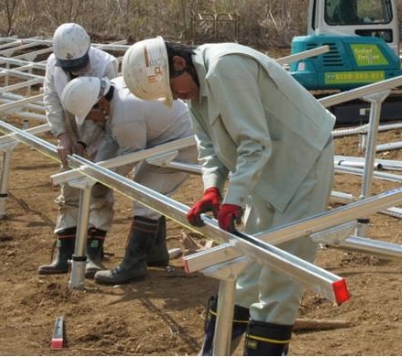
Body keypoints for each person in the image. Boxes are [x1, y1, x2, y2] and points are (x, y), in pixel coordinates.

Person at [121, 37, 335, 356]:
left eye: (174, 88)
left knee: (281, 273)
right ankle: (213, 351)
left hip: (302, 161)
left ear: (179, 63)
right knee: (246, 268)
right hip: (261, 170)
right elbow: (209, 147)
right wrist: (213, 188)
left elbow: (254, 142)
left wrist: (234, 197)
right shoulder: (195, 87)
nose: (178, 96)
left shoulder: (225, 68)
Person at [60, 75, 197, 285]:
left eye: (91, 115)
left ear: (100, 102)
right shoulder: (114, 94)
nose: (93, 121)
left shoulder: (126, 115)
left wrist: (101, 179)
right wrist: (97, 170)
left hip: (182, 145)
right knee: (148, 193)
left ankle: (133, 266)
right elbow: (110, 138)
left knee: (145, 196)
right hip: (165, 138)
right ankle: (156, 253)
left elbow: (129, 156)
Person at [38, 23, 119, 278]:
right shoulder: (53, 63)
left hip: (101, 131)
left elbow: (108, 112)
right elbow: (50, 99)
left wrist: (86, 142)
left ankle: (94, 251)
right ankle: (65, 251)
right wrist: (62, 136)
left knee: (99, 188)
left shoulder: (105, 64)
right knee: (70, 185)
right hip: (70, 126)